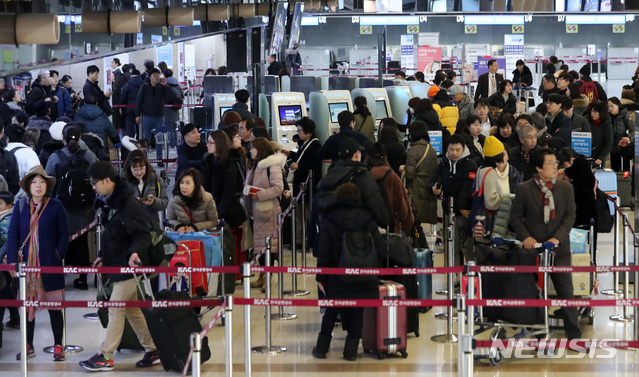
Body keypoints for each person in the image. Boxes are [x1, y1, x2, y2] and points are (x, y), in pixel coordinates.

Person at [79, 161, 159, 371]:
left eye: (95, 183)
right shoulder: (108, 202)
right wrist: (103, 256)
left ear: (107, 181)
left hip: (130, 266)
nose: (93, 187)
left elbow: (142, 233)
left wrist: (135, 253)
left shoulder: (128, 203)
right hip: (117, 263)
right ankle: (152, 349)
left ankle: (106, 355)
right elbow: (112, 235)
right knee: (132, 311)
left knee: (115, 308)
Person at [510, 148, 582, 343]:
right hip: (533, 251)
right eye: (550, 163)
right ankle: (538, 334)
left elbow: (570, 216)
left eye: (555, 162)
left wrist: (557, 238)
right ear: (538, 168)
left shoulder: (566, 188)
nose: (555, 166)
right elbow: (515, 218)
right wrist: (525, 237)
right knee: (534, 293)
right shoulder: (524, 189)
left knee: (566, 293)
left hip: (559, 250)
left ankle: (574, 336)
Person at [312, 183, 385, 361]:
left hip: (338, 274)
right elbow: (381, 247)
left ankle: (322, 348)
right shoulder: (368, 218)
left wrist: (321, 276)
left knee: (331, 311)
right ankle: (351, 352)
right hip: (364, 273)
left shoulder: (331, 219)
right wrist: (377, 272)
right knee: (358, 312)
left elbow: (325, 252)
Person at [6, 165, 69, 361]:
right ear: (28, 187)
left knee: (55, 308)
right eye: (34, 182)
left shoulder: (56, 206)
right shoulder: (20, 206)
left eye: (42, 182)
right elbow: (13, 235)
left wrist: (58, 254)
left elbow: (64, 234)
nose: (38, 186)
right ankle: (28, 344)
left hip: (50, 265)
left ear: (46, 185)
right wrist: (13, 263)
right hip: (27, 267)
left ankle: (58, 345)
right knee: (27, 307)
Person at [45, 123, 97, 290]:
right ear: (80, 138)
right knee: (82, 241)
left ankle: (60, 279)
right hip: (84, 207)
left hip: (62, 207)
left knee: (62, 241)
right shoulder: (87, 155)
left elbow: (49, 181)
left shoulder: (56, 157)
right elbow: (98, 173)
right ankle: (83, 279)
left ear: (63, 139)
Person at [428, 134, 477, 265]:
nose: (454, 153)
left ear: (463, 149)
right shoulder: (443, 164)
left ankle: (471, 276)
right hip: (448, 212)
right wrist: (434, 188)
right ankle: (456, 277)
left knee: (466, 245)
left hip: (464, 213)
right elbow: (433, 180)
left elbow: (468, 189)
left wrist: (461, 207)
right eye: (451, 149)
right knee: (451, 246)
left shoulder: (470, 164)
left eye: (457, 150)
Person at [245, 138, 285, 290]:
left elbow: (278, 188)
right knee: (260, 246)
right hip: (256, 211)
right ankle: (263, 275)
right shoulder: (254, 166)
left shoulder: (271, 166)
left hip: (268, 211)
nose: (250, 151)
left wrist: (260, 195)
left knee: (268, 246)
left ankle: (268, 276)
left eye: (253, 148)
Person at [202, 131, 246, 229]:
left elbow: (229, 193)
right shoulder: (209, 160)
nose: (207, 145)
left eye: (210, 142)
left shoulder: (229, 163)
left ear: (219, 143)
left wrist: (218, 214)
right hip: (212, 208)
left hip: (228, 213)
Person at [366, 143, 413, 234]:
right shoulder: (392, 177)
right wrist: (406, 225)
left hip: (369, 233)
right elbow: (403, 208)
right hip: (391, 232)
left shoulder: (364, 177)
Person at [135, 68, 177, 160]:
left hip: (159, 116)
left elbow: (172, 97)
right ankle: (144, 157)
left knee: (160, 138)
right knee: (146, 137)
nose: (157, 78)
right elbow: (139, 101)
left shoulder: (162, 87)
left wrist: (166, 85)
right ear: (150, 77)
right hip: (147, 116)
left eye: (158, 75)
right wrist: (137, 114)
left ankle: (159, 158)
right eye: (154, 76)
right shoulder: (144, 87)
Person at [402, 120, 438, 226]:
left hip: (416, 191)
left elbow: (409, 175)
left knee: (414, 223)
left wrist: (403, 169)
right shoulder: (431, 150)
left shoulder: (413, 150)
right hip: (428, 191)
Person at [122, 150, 168, 230]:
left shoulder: (156, 179)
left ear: (147, 166)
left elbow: (164, 202)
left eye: (142, 168)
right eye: (135, 169)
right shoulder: (123, 182)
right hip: (130, 228)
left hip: (152, 227)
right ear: (129, 169)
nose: (139, 172)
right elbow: (118, 205)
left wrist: (153, 202)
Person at [166, 168, 219, 233]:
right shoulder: (175, 200)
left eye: (188, 183)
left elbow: (213, 221)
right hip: (182, 237)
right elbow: (170, 219)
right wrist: (178, 226)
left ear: (196, 185)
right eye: (182, 183)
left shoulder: (207, 198)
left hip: (202, 236)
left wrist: (196, 227)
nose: (183, 186)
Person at [284, 117, 322, 195]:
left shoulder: (315, 144)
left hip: (308, 183)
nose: (298, 133)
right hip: (300, 181)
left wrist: (299, 166)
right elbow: (302, 157)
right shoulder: (304, 143)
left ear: (307, 130)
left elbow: (315, 164)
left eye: (299, 130)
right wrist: (290, 154)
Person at [0, 191, 19, 330]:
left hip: (4, 262)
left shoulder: (7, 220)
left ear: (9, 206)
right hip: (5, 262)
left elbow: (7, 240)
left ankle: (12, 318)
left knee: (4, 289)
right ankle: (15, 317)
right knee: (6, 289)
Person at [607, 97, 634, 172]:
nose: (610, 108)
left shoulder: (625, 116)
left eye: (612, 106)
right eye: (609, 106)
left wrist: (628, 139)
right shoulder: (608, 117)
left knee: (625, 171)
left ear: (618, 105)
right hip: (612, 147)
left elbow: (633, 130)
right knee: (615, 170)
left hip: (624, 147)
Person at [120, 69, 144, 138]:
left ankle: (131, 145)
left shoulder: (127, 84)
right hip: (141, 110)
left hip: (129, 110)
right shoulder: (143, 84)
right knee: (140, 130)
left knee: (130, 130)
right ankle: (140, 145)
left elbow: (123, 97)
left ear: (131, 75)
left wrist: (122, 107)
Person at [588, 101, 613, 167]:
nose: (592, 114)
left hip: (598, 158)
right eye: (591, 111)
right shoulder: (586, 121)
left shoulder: (607, 124)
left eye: (595, 112)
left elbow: (608, 143)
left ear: (601, 113)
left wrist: (601, 158)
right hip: (585, 155)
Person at [163, 69, 184, 148]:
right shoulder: (176, 83)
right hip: (176, 108)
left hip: (167, 109)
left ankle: (170, 145)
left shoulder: (165, 84)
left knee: (168, 127)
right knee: (175, 126)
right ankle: (175, 143)